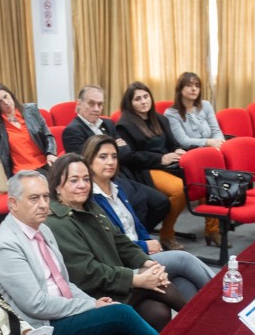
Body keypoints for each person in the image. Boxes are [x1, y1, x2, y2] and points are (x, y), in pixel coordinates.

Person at [0, 171, 157, 335]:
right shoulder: (6, 245)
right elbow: (36, 304)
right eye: (34, 198)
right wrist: (89, 305)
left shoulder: (43, 230)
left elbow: (63, 282)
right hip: (42, 327)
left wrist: (91, 303)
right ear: (13, 203)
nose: (43, 204)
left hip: (63, 314)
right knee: (121, 313)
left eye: (46, 197)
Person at [45, 153, 185, 331]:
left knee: (158, 312)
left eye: (86, 179)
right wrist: (136, 279)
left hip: (115, 283)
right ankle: (202, 322)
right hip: (94, 295)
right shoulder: (57, 221)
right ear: (57, 186)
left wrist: (148, 262)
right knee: (161, 283)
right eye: (73, 180)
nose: (82, 185)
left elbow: (120, 241)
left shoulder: (90, 206)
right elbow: (88, 271)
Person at [84, 134, 214, 299]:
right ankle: (224, 291)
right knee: (183, 260)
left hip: (141, 254)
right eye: (103, 157)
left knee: (182, 282)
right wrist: (145, 247)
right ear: (89, 161)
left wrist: (149, 244)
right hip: (123, 262)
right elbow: (109, 243)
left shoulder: (117, 187)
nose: (110, 162)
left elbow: (136, 224)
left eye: (114, 156)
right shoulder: (90, 198)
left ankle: (205, 317)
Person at [62, 84, 170, 234]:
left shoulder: (107, 123)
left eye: (100, 104)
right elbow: (84, 163)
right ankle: (130, 242)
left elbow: (126, 153)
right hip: (100, 181)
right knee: (139, 204)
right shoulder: (73, 130)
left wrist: (104, 153)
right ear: (79, 103)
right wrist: (115, 148)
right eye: (91, 103)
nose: (96, 108)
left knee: (161, 202)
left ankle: (136, 236)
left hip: (122, 174)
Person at [116, 81, 205, 247]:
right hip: (146, 169)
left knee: (202, 178)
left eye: (145, 96)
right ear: (130, 103)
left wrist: (178, 150)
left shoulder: (160, 119)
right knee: (179, 190)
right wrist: (160, 159)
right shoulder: (124, 125)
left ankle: (213, 231)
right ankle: (167, 234)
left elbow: (172, 143)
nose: (143, 101)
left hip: (170, 164)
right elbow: (130, 156)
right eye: (137, 99)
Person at [0, 83, 57, 176]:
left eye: (5, 96)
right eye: (0, 102)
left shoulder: (31, 110)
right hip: (21, 173)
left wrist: (50, 153)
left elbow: (47, 135)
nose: (6, 103)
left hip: (45, 164)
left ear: (10, 94)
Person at [163, 72, 226, 150]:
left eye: (197, 86)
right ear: (180, 89)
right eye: (189, 85)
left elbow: (216, 131)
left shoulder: (206, 105)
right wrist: (208, 142)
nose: (194, 89)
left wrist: (219, 144)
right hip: (191, 152)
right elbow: (183, 141)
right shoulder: (171, 113)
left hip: (214, 148)